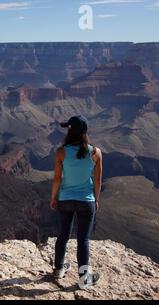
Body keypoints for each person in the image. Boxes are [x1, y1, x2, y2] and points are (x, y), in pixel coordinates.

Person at [50, 115, 102, 289]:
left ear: (70, 131)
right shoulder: (95, 152)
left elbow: (57, 179)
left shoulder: (61, 152)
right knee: (83, 240)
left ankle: (58, 269)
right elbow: (97, 181)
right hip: (86, 201)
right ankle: (84, 277)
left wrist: (53, 198)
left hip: (65, 199)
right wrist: (96, 200)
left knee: (63, 235)